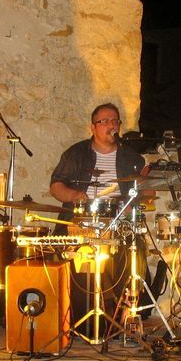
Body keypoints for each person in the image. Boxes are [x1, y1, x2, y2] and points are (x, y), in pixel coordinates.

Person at [49, 103, 148, 336]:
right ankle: (71, 314)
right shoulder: (76, 154)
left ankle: (124, 313)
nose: (112, 125)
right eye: (105, 121)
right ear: (92, 127)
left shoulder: (131, 157)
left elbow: (144, 194)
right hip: (79, 220)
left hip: (117, 221)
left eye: (116, 121)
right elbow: (56, 186)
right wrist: (74, 196)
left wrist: (146, 190)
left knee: (139, 250)